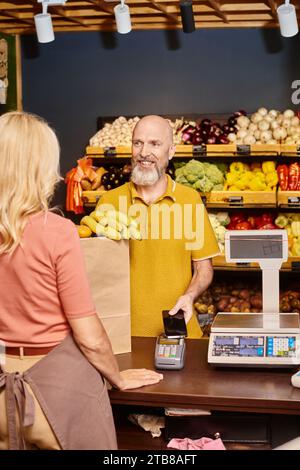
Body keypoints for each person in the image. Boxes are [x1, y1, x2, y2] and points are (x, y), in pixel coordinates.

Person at [0, 111, 163, 451]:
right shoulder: (57, 232)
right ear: (39, 166)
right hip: (51, 393)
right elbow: (88, 335)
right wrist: (116, 377)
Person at [97, 115, 220, 338]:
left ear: (171, 151)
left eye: (155, 144)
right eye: (138, 143)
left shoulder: (189, 199)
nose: (144, 152)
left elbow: (204, 269)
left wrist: (190, 296)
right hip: (124, 334)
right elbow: (99, 273)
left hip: (178, 331)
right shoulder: (109, 202)